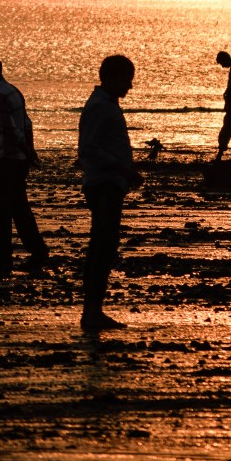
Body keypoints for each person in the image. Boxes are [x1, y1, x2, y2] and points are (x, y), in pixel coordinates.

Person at [78, 54, 143, 330]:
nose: (129, 86)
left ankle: (93, 310)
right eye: (126, 80)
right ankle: (92, 311)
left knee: (101, 245)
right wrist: (123, 169)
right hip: (104, 184)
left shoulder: (106, 105)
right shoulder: (100, 107)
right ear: (111, 78)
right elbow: (89, 148)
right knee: (103, 247)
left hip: (110, 183)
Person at [0, 55, 49, 276]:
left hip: (7, 159)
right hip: (18, 160)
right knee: (19, 208)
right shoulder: (14, 92)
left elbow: (9, 129)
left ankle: (3, 259)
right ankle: (37, 251)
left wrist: (26, 150)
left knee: (2, 210)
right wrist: (30, 149)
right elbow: (26, 123)